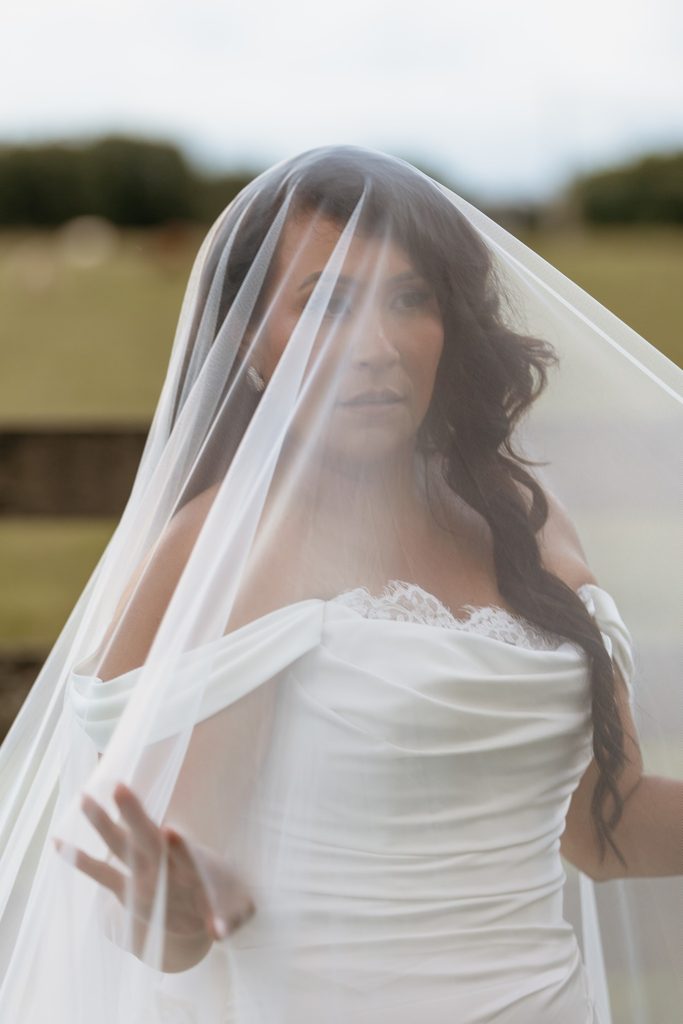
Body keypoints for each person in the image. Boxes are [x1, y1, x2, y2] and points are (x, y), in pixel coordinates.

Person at [0, 146, 680, 1023]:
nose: (376, 346)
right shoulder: (223, 551)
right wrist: (165, 914)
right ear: (251, 344)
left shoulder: (527, 518)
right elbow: (171, 906)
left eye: (409, 298)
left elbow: (601, 830)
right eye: (325, 304)